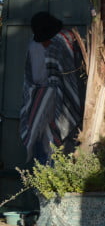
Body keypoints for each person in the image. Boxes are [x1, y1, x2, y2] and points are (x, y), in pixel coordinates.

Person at [19, 11, 85, 163]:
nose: (43, 42)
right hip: (39, 101)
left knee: (56, 147)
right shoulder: (36, 44)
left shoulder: (63, 41)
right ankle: (45, 178)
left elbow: (69, 75)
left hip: (60, 101)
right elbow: (31, 75)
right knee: (43, 145)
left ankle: (50, 178)